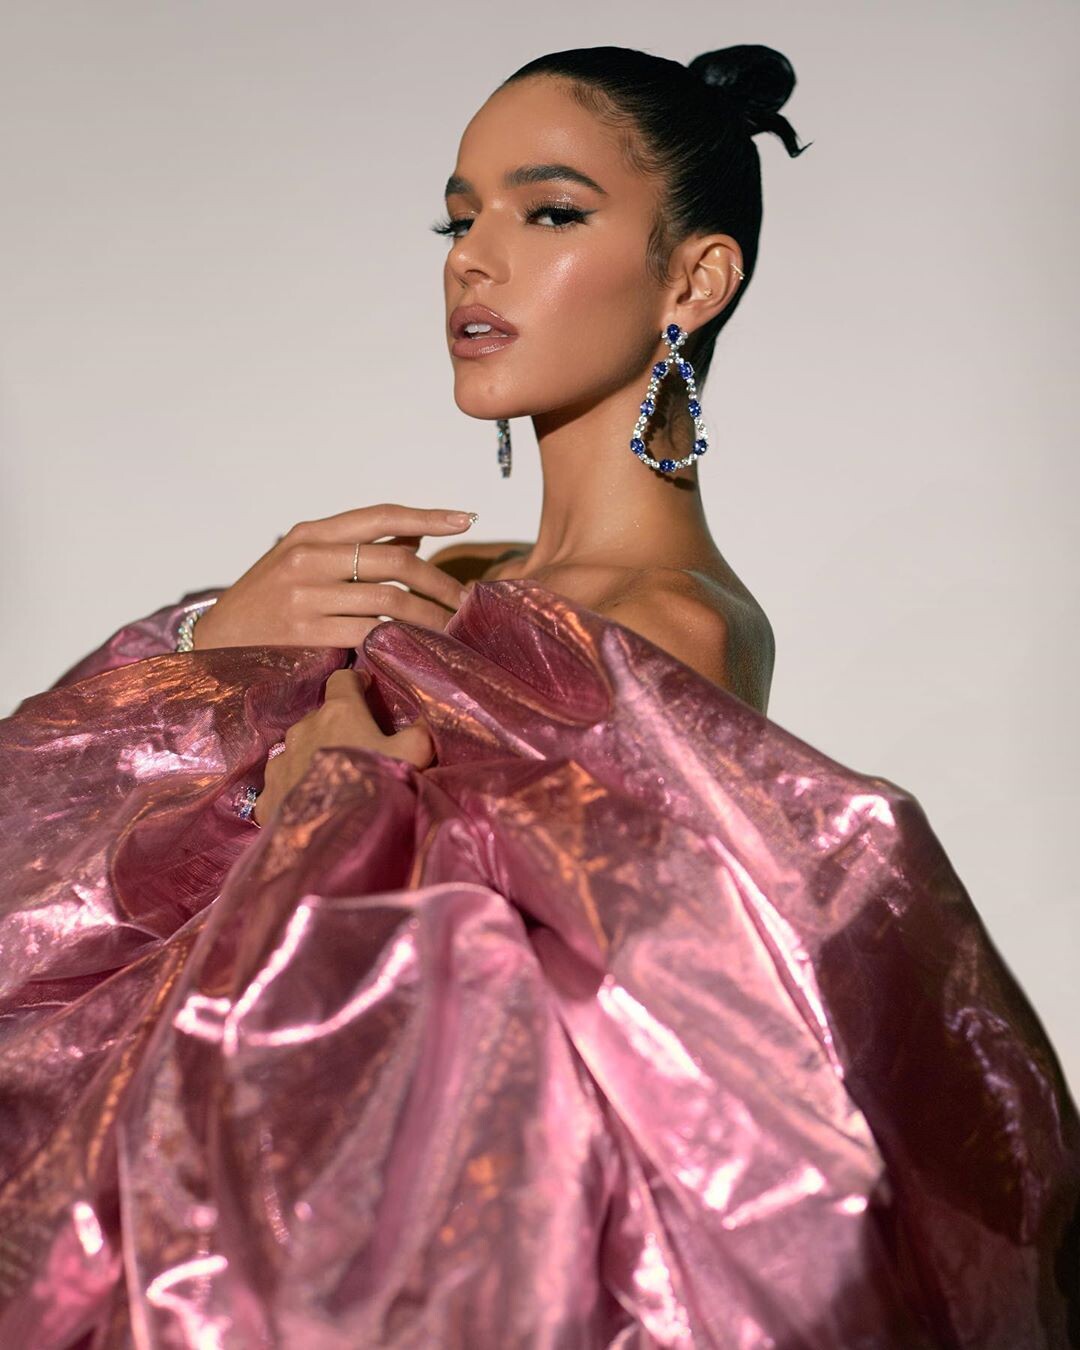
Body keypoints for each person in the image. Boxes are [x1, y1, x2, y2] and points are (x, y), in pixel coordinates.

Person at [0, 43, 1077, 1350]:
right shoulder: (442, 581)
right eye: (459, 219)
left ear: (694, 279)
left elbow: (532, 1047)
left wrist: (321, 805)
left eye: (550, 212)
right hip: (197, 1187)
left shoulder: (668, 630)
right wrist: (209, 639)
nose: (474, 260)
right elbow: (44, 858)